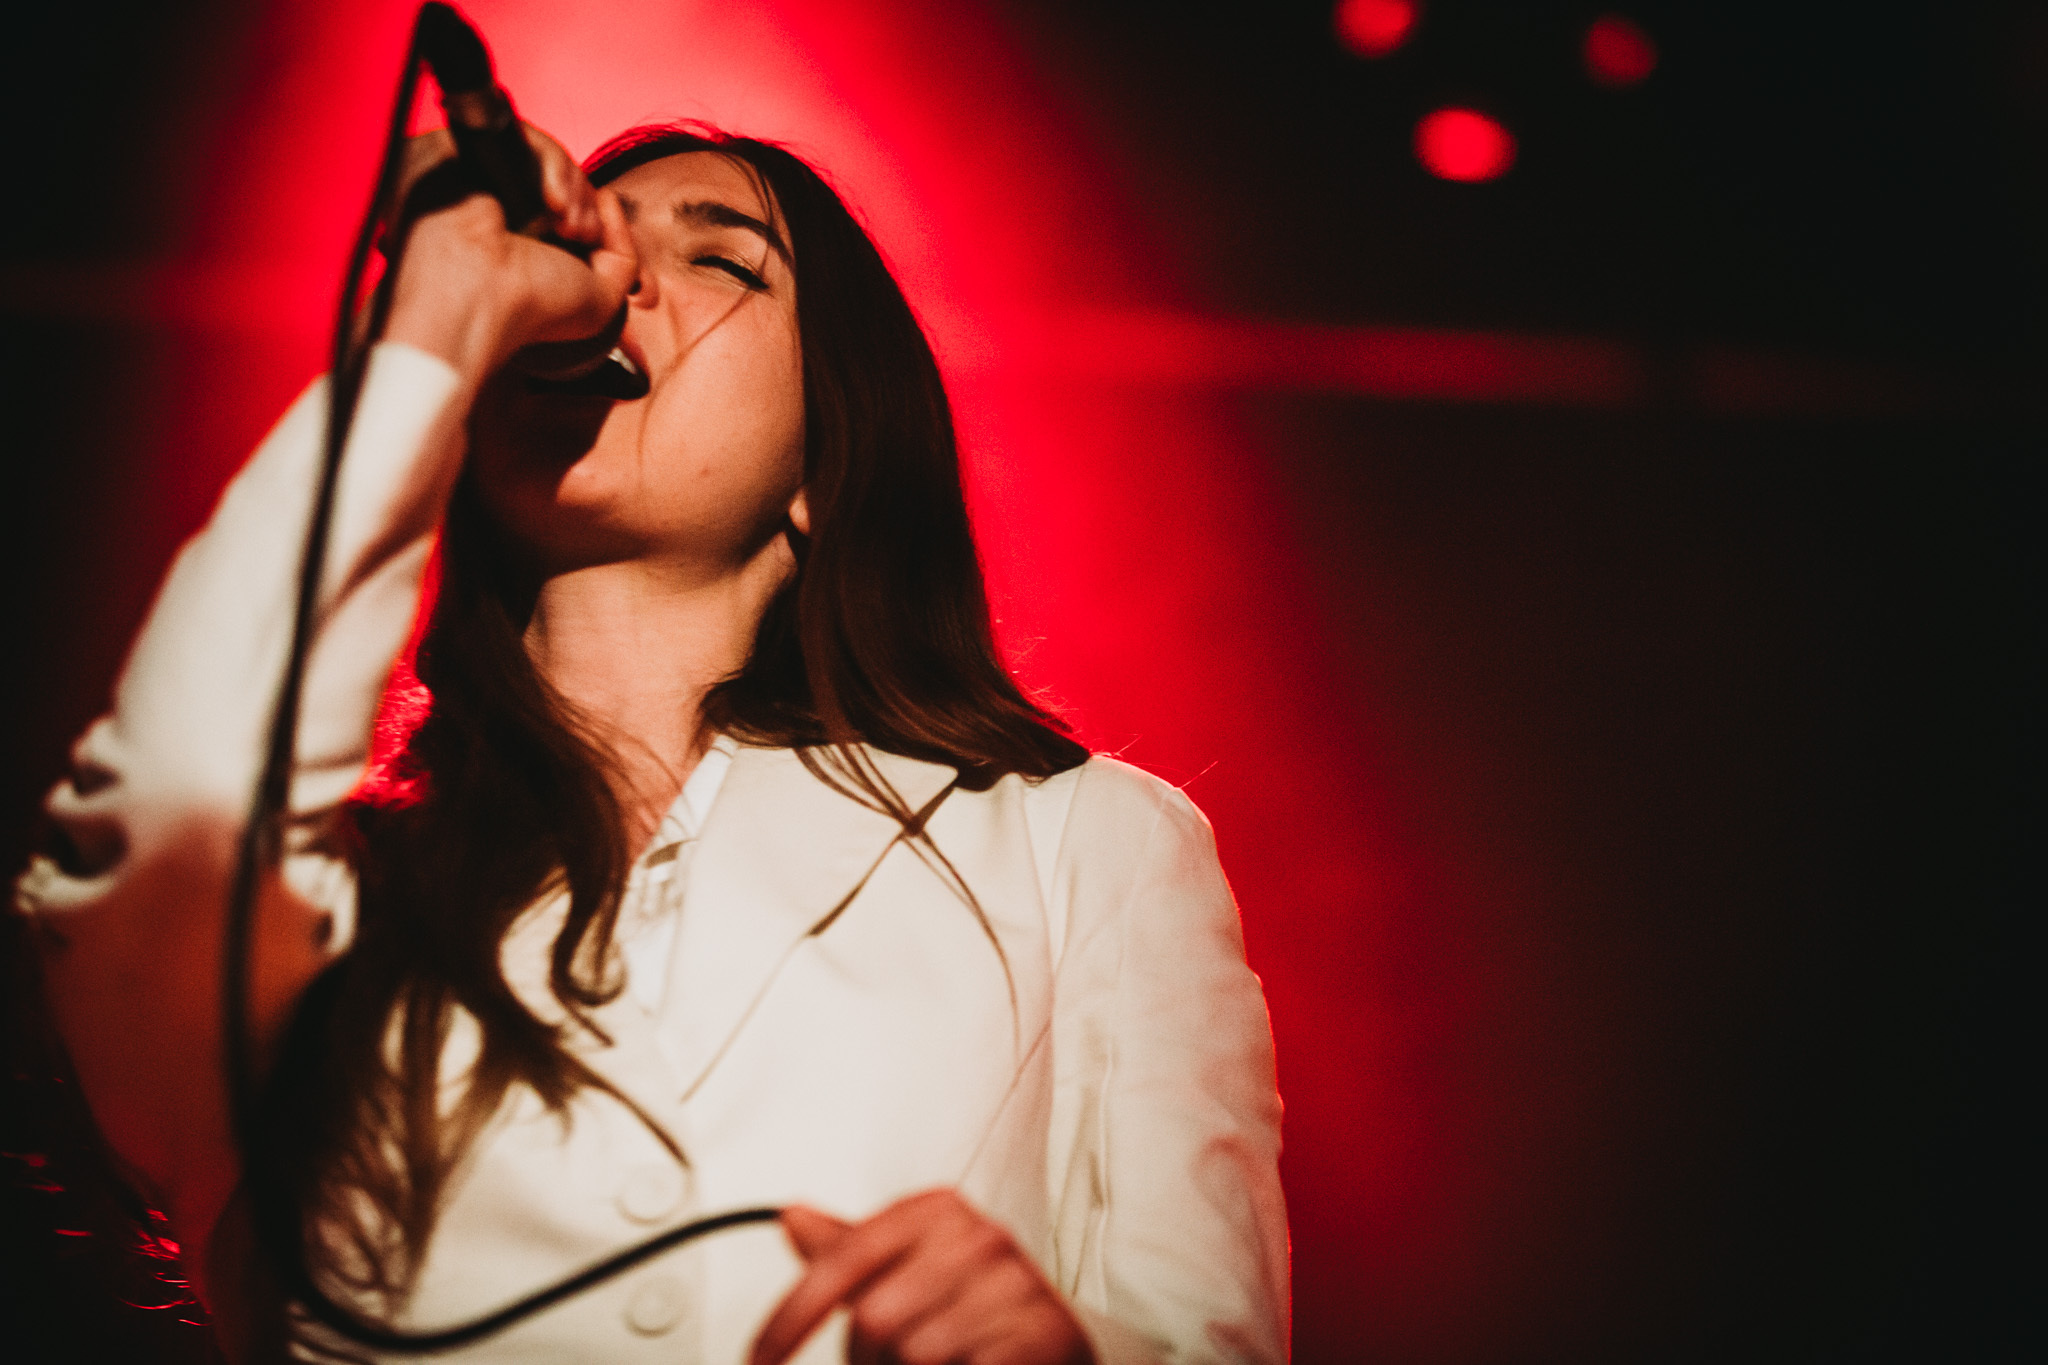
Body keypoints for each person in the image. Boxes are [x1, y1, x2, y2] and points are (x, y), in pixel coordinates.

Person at [14, 118, 1289, 1364]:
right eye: (591, 253)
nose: (614, 284)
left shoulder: (1082, 847)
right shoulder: (323, 900)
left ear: (825, 458)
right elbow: (174, 801)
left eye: (720, 260)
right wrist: (437, 322)